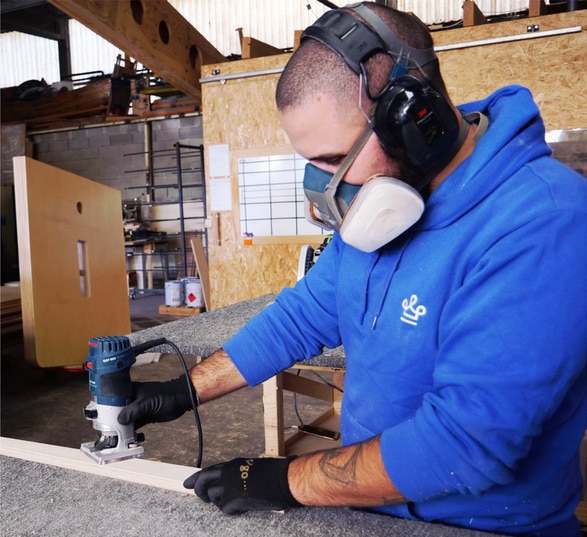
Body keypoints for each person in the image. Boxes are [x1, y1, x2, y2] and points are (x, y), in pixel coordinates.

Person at [118, 3, 587, 536]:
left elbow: (465, 445)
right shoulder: (391, 204)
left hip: (481, 525)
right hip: (368, 510)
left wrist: (285, 481)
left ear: (415, 120)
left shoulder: (545, 224)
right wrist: (185, 390)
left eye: (333, 158)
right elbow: (301, 317)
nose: (323, 189)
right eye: (312, 163)